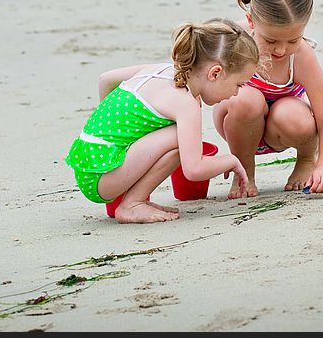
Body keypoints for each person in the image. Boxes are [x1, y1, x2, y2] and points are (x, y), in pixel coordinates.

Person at [66, 19, 259, 223]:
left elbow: (106, 79)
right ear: (215, 73)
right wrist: (232, 161)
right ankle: (132, 204)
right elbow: (194, 169)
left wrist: (113, 132)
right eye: (239, 84)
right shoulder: (185, 102)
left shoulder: (160, 69)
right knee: (181, 137)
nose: (237, 92)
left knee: (175, 135)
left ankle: (133, 200)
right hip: (102, 179)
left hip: (89, 163)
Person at [213, 0, 323, 198]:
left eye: (293, 40)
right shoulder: (232, 39)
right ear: (252, 21)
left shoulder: (302, 56)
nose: (281, 51)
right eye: (270, 40)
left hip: (281, 129)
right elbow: (193, 80)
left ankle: (305, 159)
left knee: (292, 114)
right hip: (238, 123)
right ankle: (244, 171)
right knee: (246, 99)